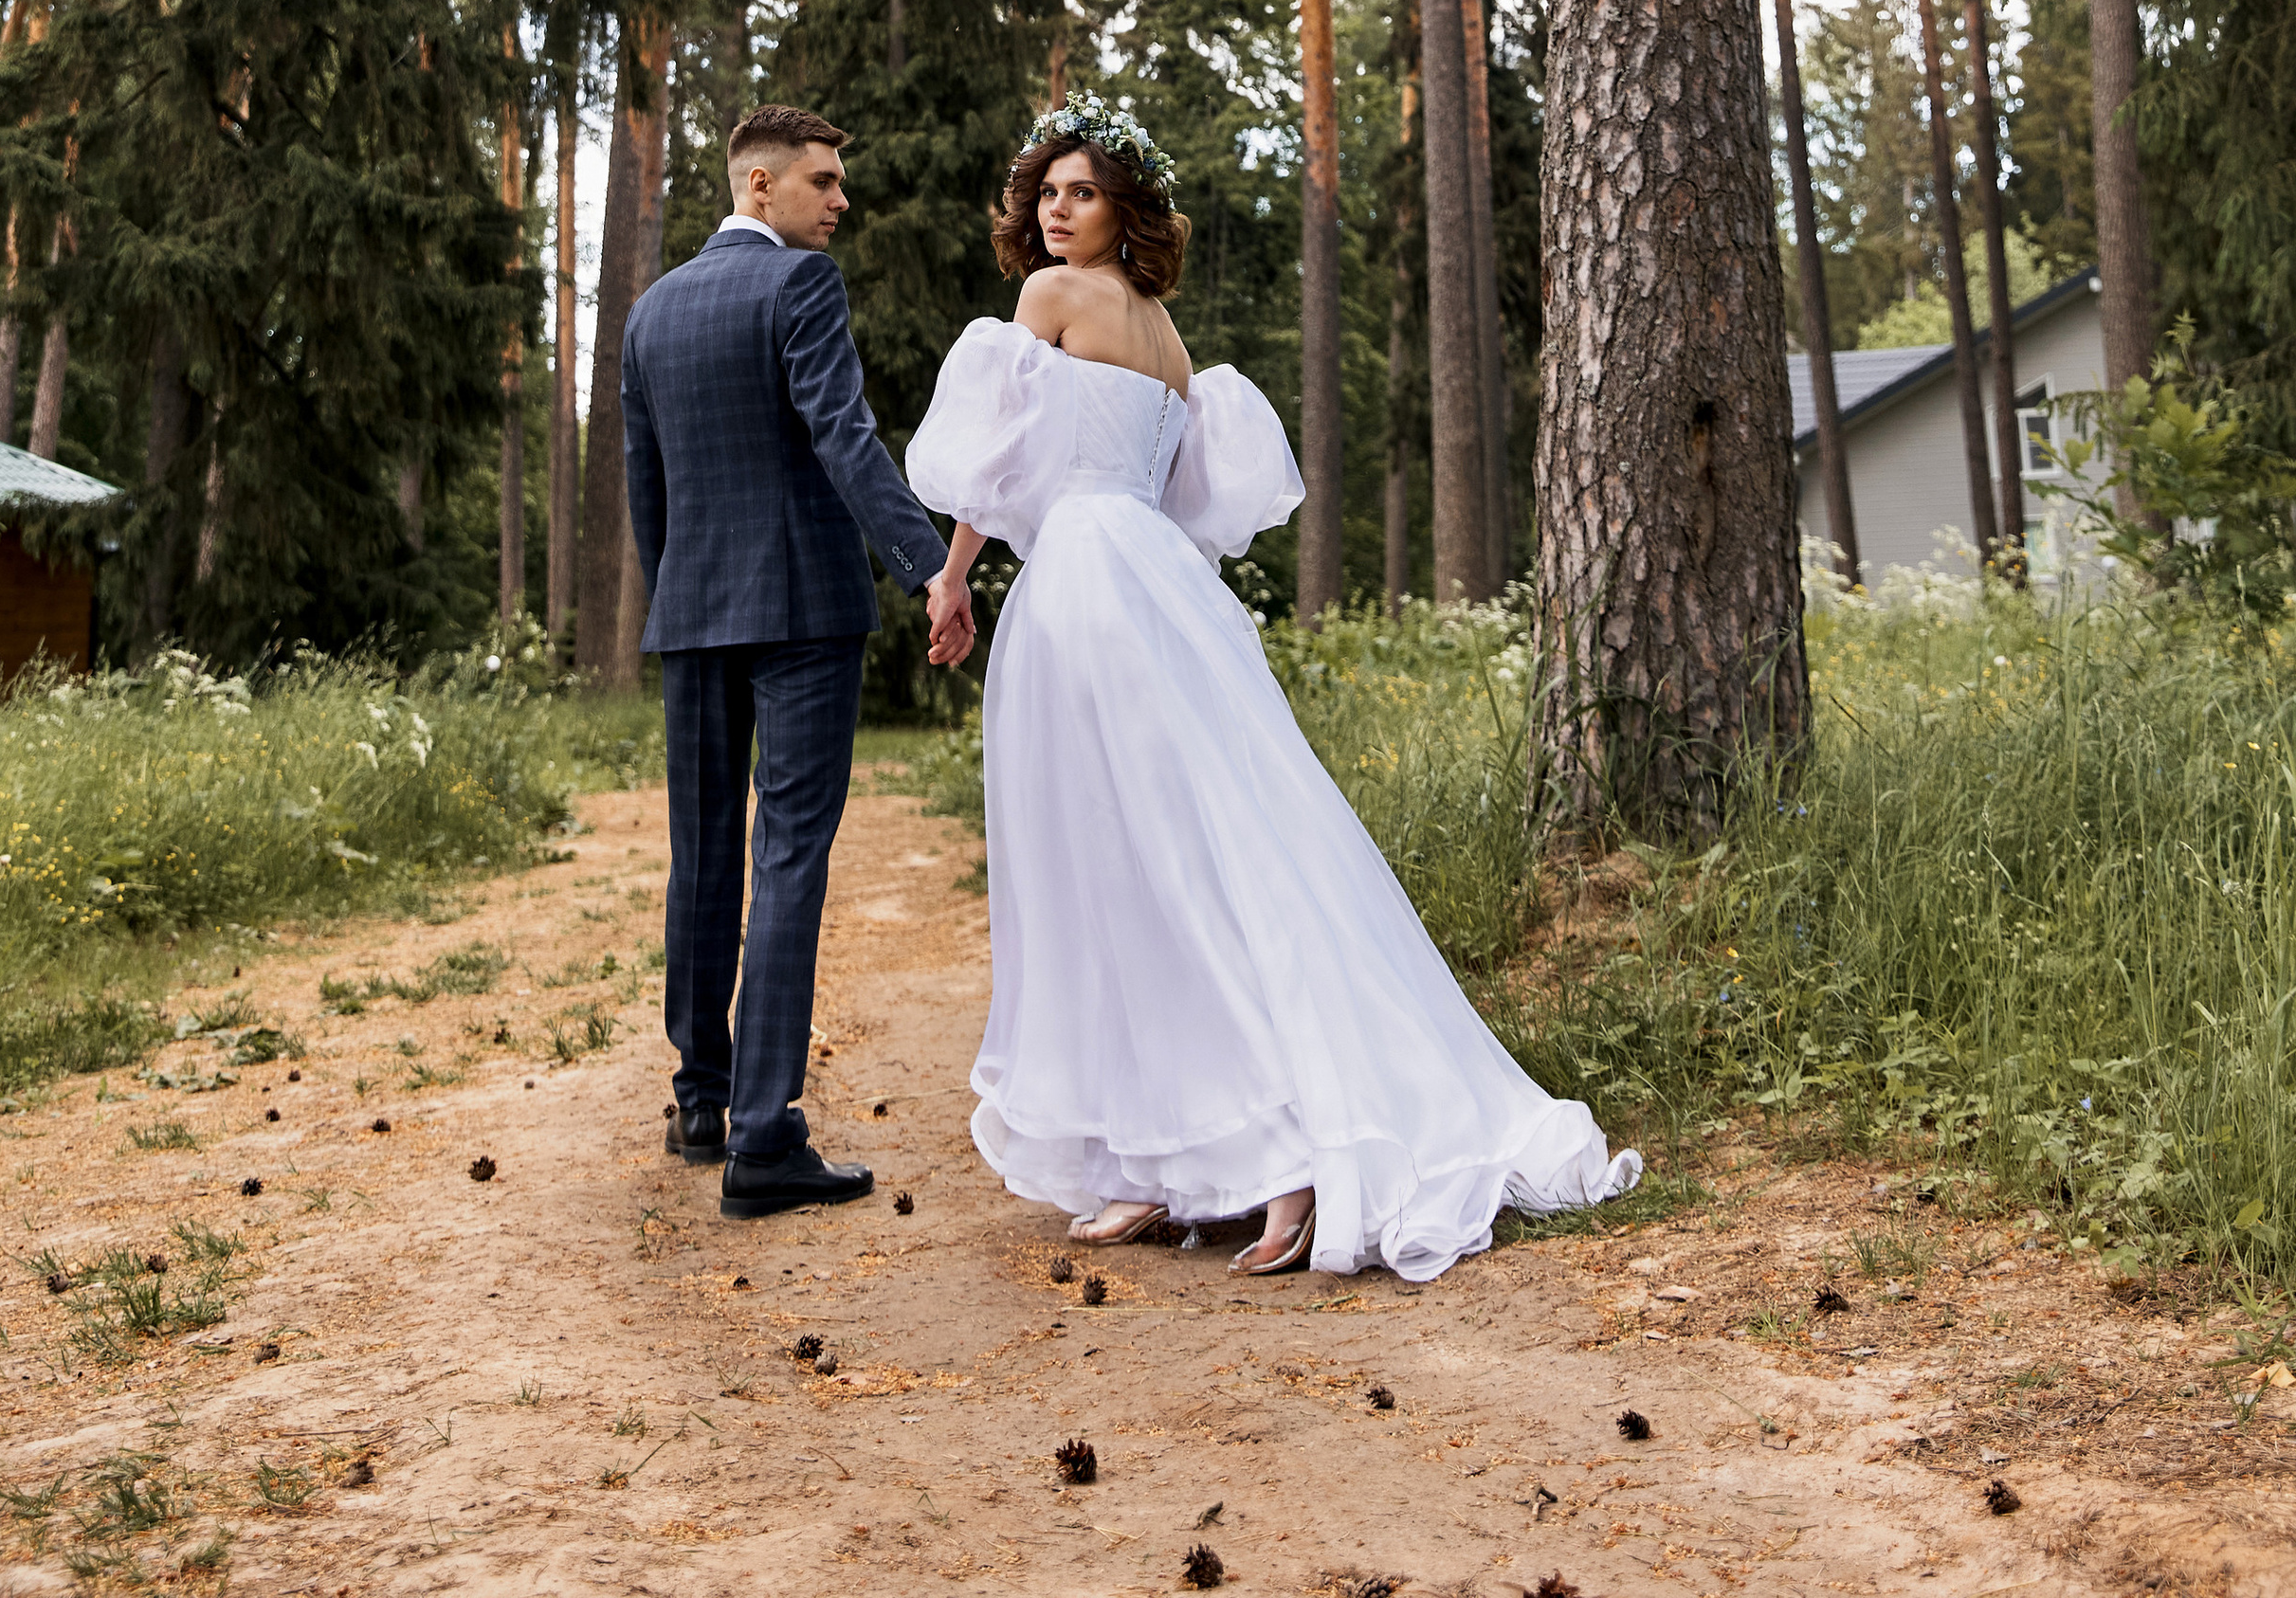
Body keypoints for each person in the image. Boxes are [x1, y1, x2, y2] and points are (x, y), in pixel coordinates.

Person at [906, 90, 1642, 1282]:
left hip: (1089, 584)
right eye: (1046, 192)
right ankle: (1163, 1159)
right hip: (1162, 590)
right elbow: (1189, 506)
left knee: (1123, 862)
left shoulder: (1048, 303)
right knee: (1192, 854)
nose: (1055, 212)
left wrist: (949, 582)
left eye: (1080, 192)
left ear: (1123, 208)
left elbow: (996, 471)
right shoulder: (1168, 335)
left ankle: (1278, 1154)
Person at [623, 102, 974, 1223]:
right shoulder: (799, 287)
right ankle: (766, 1140)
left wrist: (678, 591)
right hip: (806, 611)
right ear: (759, 187)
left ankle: (701, 1099)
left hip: (694, 611)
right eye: (822, 181)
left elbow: (648, 487)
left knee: (702, 855)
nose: (841, 200)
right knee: (786, 859)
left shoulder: (651, 311)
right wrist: (928, 565)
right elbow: (844, 432)